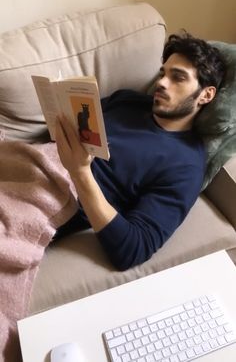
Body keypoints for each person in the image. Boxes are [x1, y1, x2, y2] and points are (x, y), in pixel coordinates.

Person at [55, 32, 226, 271]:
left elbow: (133, 250)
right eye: (163, 73)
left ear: (206, 95)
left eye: (178, 78)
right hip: (33, 161)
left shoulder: (185, 165)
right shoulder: (128, 101)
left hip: (54, 195)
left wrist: (80, 172)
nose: (162, 83)